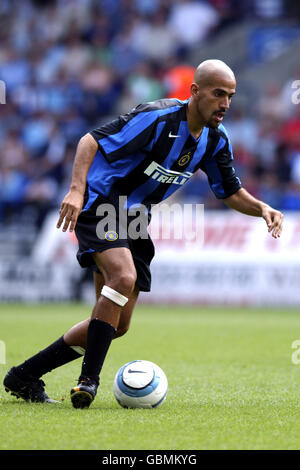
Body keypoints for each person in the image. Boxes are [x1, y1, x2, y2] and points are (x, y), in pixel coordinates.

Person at [3, 60, 283, 408]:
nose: (225, 103)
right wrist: (75, 190)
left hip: (135, 219)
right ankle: (87, 383)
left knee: (114, 324)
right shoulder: (158, 117)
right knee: (123, 276)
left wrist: (263, 209)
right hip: (102, 203)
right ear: (195, 92)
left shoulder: (215, 140)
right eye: (218, 94)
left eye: (230, 96)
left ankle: (24, 376)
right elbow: (90, 140)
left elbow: (228, 192)